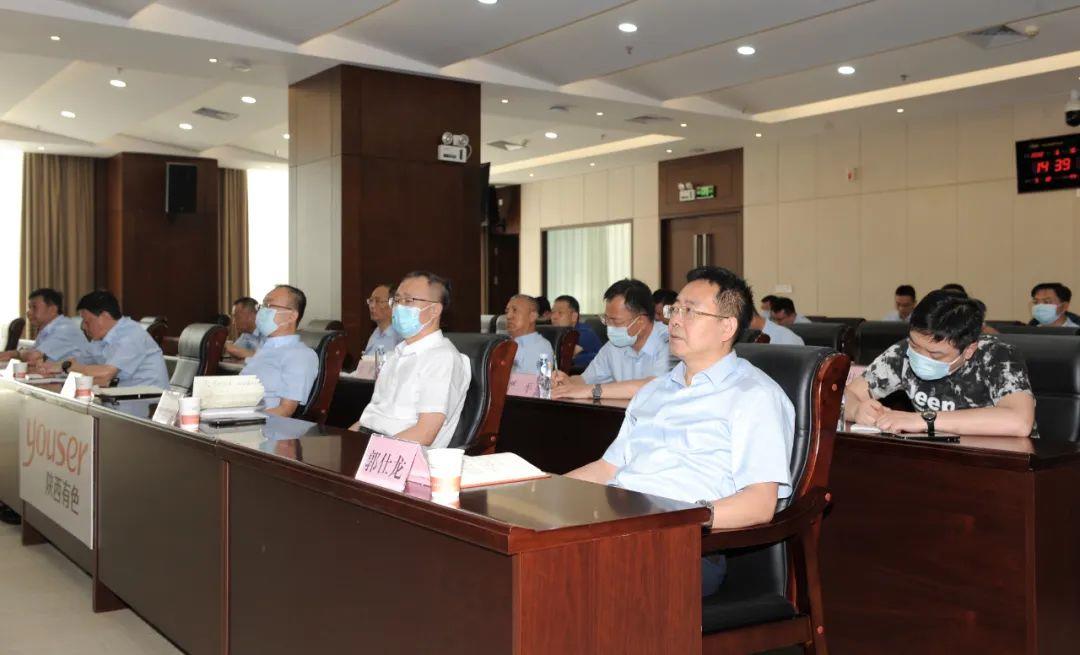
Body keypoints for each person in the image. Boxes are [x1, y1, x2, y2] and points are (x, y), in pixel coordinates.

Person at [567, 266, 795, 596]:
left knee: (564, 577)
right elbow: (607, 468)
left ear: (726, 326)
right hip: (617, 525)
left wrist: (682, 517)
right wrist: (543, 489)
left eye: (690, 311)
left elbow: (760, 503)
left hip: (682, 545)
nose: (674, 320)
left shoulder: (754, 395)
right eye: (674, 309)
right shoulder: (653, 391)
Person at [845, 290, 1035, 437]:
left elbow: (1019, 421)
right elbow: (846, 394)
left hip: (1000, 461)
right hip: (936, 458)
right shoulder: (902, 353)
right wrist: (856, 410)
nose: (920, 356)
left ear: (969, 350)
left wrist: (923, 420)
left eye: (935, 354)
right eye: (915, 346)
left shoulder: (997, 356)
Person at [353, 271, 471, 448]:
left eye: (408, 301)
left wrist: (370, 454)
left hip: (400, 454)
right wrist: (343, 443)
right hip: (368, 442)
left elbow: (425, 433)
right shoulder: (395, 355)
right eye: (396, 300)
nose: (398, 307)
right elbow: (371, 418)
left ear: (434, 310)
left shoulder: (442, 358)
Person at [551, 278, 673, 400]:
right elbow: (585, 380)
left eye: (615, 321)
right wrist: (566, 382)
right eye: (606, 319)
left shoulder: (671, 341)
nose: (609, 327)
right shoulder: (613, 346)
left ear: (640, 322)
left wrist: (593, 391)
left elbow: (653, 387)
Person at [39, 290, 168, 388]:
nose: (83, 327)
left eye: (87, 321)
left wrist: (70, 368)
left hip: (145, 405)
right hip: (117, 398)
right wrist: (53, 367)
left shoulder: (131, 335)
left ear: (104, 316)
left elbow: (105, 374)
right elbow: (80, 360)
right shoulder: (101, 338)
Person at [240, 285, 319, 418]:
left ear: (291, 316)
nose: (262, 311)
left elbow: (285, 411)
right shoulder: (265, 349)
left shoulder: (300, 355)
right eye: (262, 305)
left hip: (260, 426)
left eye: (269, 305)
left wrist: (240, 418)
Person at [0, 288, 87, 364]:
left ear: (52, 309)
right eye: (29, 307)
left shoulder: (65, 329)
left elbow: (33, 357)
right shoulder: (47, 329)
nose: (28, 312)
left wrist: (15, 353)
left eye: (34, 307)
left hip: (72, 377)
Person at [506, 294, 554, 374]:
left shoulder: (543, 347)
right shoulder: (501, 344)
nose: (508, 316)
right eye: (507, 311)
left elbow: (543, 381)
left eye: (515, 310)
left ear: (532, 316)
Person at [550, 294, 601, 369]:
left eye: (560, 313)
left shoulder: (584, 334)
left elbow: (561, 357)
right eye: (553, 312)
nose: (554, 317)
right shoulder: (554, 333)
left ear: (574, 316)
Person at [363, 283, 402, 355]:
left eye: (377, 301)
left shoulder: (401, 337)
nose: (372, 306)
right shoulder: (375, 334)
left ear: (392, 304)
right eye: (371, 301)